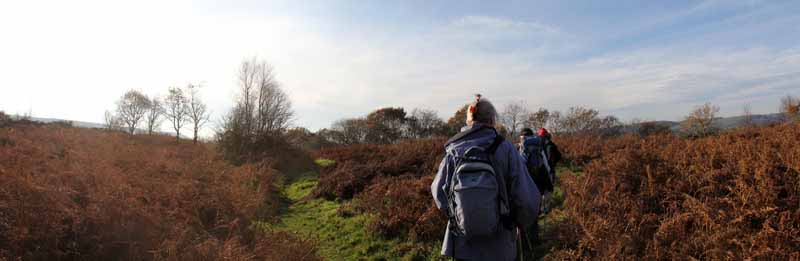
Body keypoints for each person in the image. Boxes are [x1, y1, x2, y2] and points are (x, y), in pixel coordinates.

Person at [431, 95, 540, 261]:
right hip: (500, 246)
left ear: (468, 121)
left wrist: (461, 214)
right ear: (492, 119)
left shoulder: (453, 151)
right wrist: (518, 222)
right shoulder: (506, 149)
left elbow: (439, 194)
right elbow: (526, 200)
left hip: (462, 246)